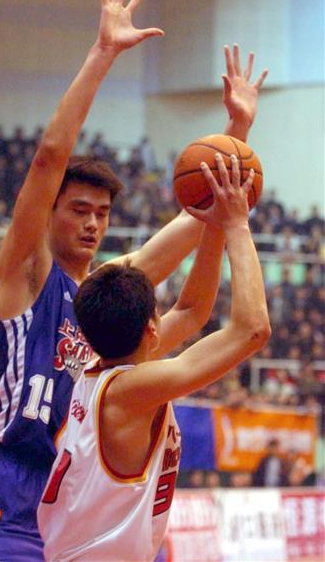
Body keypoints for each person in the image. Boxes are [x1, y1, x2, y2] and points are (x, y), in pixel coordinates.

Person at [0, 0, 268, 561]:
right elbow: (50, 158)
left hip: (86, 497)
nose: (93, 224)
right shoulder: (28, 274)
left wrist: (234, 140)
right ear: (50, 214)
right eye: (79, 210)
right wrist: (103, 53)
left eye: (102, 213)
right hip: (16, 494)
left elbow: (195, 225)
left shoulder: (108, 293)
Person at [38, 154, 271, 561]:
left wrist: (215, 224)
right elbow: (252, 330)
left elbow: (193, 310)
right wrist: (237, 224)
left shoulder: (102, 372)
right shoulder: (131, 390)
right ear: (151, 328)